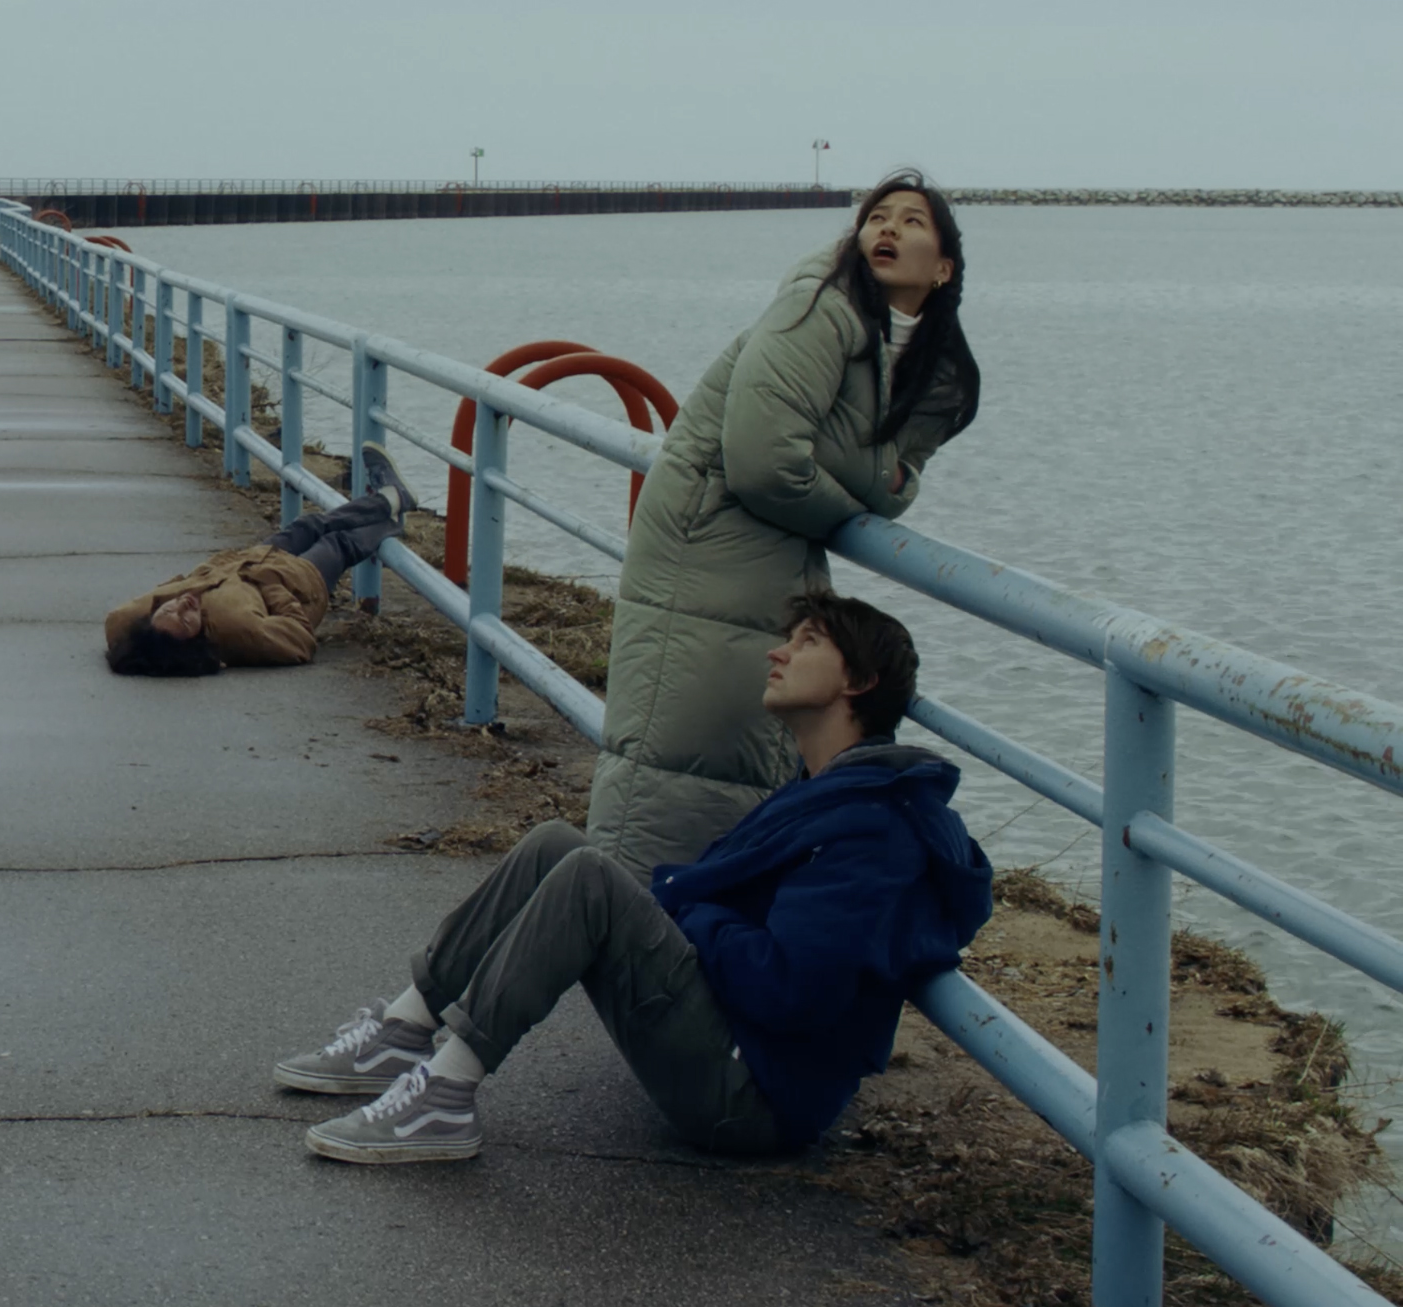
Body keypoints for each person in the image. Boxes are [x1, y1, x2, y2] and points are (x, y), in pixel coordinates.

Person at [274, 593, 991, 1164]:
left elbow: (793, 989)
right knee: (559, 843)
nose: (778, 650)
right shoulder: (823, 791)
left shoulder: (870, 830)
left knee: (592, 879)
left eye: (807, 641)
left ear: (859, 682)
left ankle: (446, 1092)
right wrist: (691, 909)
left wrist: (690, 911)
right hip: (734, 1044)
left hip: (751, 1096)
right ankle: (407, 1025)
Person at [585, 168, 982, 876]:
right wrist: (853, 505)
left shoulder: (926, 367)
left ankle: (679, 944)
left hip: (771, 554)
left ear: (945, 265)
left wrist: (860, 486)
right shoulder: (820, 309)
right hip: (705, 542)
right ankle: (620, 932)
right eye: (877, 215)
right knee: (677, 758)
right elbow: (766, 463)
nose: (887, 228)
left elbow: (895, 476)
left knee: (739, 766)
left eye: (911, 220)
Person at [104, 445, 416, 675]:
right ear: (198, 642)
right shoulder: (242, 631)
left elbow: (117, 619)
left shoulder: (159, 624)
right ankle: (391, 509)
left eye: (169, 607)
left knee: (308, 525)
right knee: (338, 543)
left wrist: (167, 602)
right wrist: (272, 587)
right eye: (186, 619)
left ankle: (390, 502)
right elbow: (301, 639)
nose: (184, 603)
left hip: (251, 561)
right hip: (299, 585)